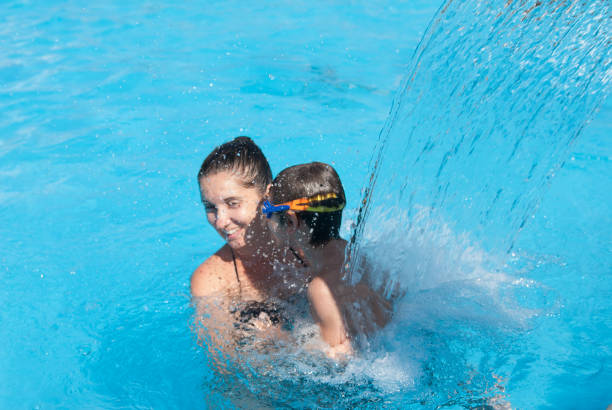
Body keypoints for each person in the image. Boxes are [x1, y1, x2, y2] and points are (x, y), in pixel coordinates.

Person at [263, 162, 392, 358]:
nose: (264, 219)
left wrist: (278, 339)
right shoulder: (356, 255)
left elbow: (339, 357)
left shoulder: (321, 288)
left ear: (290, 222)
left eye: (268, 212)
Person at [191, 137, 304, 350]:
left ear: (268, 197)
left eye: (232, 203)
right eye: (210, 207)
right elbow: (225, 369)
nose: (221, 221)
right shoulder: (210, 281)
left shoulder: (309, 250)